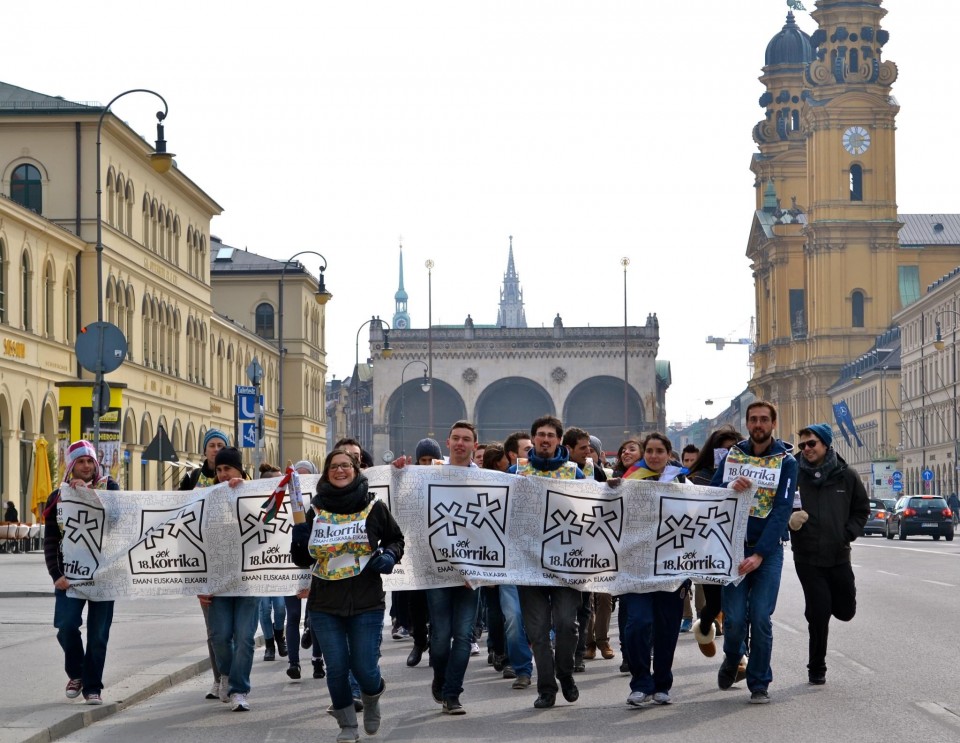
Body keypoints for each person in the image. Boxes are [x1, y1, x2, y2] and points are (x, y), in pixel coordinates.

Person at [290, 448, 404, 742]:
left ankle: (372, 695)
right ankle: (347, 726)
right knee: (337, 668)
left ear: (355, 469)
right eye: (333, 468)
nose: (340, 471)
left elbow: (395, 538)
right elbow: (303, 559)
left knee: (365, 668)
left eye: (345, 466)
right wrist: (299, 536)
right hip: (325, 604)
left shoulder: (374, 506)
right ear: (326, 474)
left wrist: (390, 555)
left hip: (366, 602)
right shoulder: (313, 510)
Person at [711, 401, 798, 705]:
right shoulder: (732, 457)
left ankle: (759, 681)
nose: (758, 425)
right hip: (733, 549)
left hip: (767, 553)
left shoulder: (787, 462)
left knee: (760, 617)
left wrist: (760, 553)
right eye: (753, 420)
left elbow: (782, 510)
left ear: (773, 424)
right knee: (734, 620)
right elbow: (711, 495)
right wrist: (729, 486)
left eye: (764, 420)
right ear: (747, 424)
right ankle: (733, 658)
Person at [509, 415, 584, 709]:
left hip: (566, 566)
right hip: (529, 567)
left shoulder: (575, 472)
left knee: (567, 625)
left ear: (558, 441)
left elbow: (594, 507)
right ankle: (546, 688)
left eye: (550, 435)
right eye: (540, 434)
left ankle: (564, 674)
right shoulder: (517, 472)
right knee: (538, 632)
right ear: (533, 439)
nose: (544, 439)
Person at [790, 423, 869, 685]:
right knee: (819, 611)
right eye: (802, 445)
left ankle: (821, 606)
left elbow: (861, 509)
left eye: (811, 443)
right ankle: (817, 667)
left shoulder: (846, 475)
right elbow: (777, 507)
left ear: (825, 444)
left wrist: (848, 533)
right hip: (807, 556)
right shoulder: (793, 474)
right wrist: (790, 522)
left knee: (846, 611)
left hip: (838, 554)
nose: (806, 449)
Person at [613, 432, 688, 707]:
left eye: (660, 451)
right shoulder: (629, 479)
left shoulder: (682, 481)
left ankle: (662, 683)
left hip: (671, 568)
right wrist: (611, 491)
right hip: (636, 568)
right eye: (650, 451)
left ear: (669, 454)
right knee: (637, 624)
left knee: (667, 628)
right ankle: (640, 682)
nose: (654, 456)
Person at [43, 440, 120, 705]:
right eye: (80, 462)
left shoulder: (110, 488)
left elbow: (119, 520)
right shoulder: (58, 496)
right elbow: (52, 540)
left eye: (90, 461)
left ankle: (92, 687)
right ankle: (76, 673)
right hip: (70, 576)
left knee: (98, 634)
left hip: (104, 576)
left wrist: (89, 494)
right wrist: (56, 575)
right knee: (66, 626)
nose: (86, 466)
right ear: (71, 466)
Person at [199, 446, 259, 711]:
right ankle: (225, 674)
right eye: (219, 469)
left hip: (249, 581)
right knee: (220, 636)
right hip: (217, 582)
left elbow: (267, 527)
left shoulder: (254, 492)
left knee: (245, 637)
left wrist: (244, 494)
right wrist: (198, 582)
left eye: (228, 469)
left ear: (240, 470)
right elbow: (191, 541)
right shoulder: (205, 498)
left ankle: (239, 689)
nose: (223, 474)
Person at [179, 428, 230, 701]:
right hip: (203, 563)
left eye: (221, 444)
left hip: (233, 563)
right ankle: (219, 677)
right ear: (204, 449)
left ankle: (233, 676)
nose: (216, 448)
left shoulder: (241, 479)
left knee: (232, 629)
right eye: (211, 444)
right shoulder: (192, 479)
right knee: (213, 629)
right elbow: (177, 515)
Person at [686, 425, 744, 659]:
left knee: (738, 610)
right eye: (724, 450)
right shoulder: (697, 478)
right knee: (714, 603)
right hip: (708, 550)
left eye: (733, 450)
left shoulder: (748, 474)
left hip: (738, 548)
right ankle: (704, 626)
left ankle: (738, 658)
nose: (728, 454)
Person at [285, 459, 319, 681]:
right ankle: (294, 662)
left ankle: (318, 660)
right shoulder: (282, 500)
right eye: (298, 476)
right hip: (287, 568)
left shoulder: (318, 503)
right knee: (293, 615)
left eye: (307, 476)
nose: (302, 481)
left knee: (316, 615)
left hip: (313, 565)